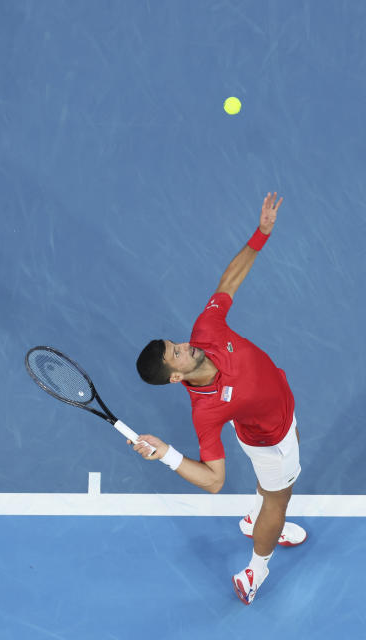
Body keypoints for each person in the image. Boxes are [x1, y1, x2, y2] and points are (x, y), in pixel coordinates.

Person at [132, 192, 306, 605]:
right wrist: (168, 454)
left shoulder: (206, 331)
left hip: (274, 413)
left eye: (177, 344)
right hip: (271, 439)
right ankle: (255, 570)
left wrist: (261, 234)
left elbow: (228, 282)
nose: (186, 347)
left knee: (279, 472)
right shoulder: (206, 411)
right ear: (176, 377)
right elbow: (213, 481)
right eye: (178, 354)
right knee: (280, 498)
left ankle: (256, 515)